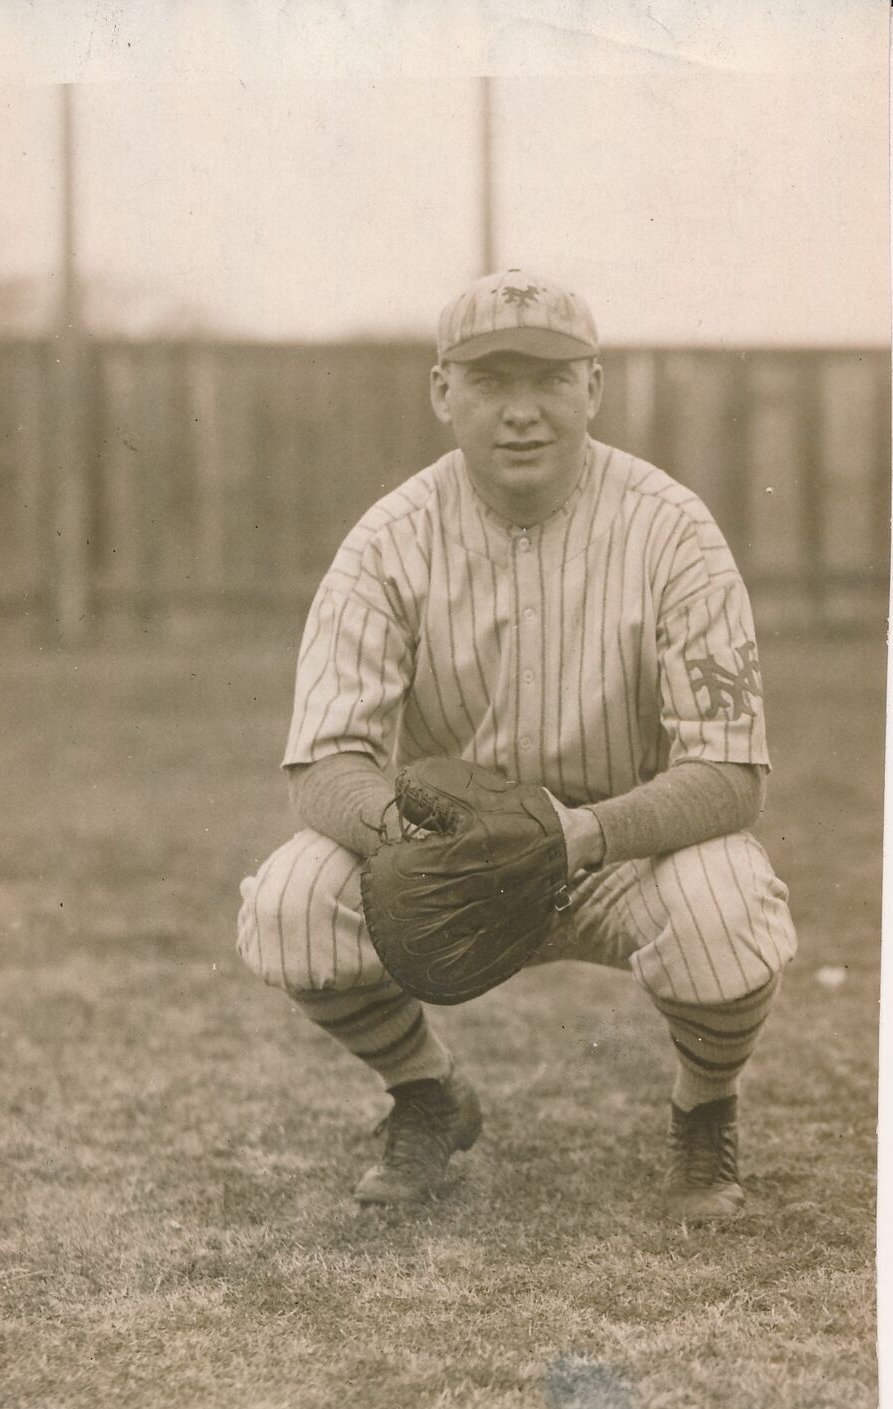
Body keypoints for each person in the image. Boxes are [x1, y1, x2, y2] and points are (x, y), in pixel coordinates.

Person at [236, 267, 796, 1222]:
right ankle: (426, 1096)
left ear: (594, 387)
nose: (521, 412)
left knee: (726, 907)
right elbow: (326, 761)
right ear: (442, 392)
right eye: (492, 382)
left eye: (548, 379)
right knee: (290, 904)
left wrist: (573, 837)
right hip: (446, 853)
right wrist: (412, 837)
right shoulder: (388, 541)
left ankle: (703, 1114)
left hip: (622, 852)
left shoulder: (672, 531)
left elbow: (730, 773)